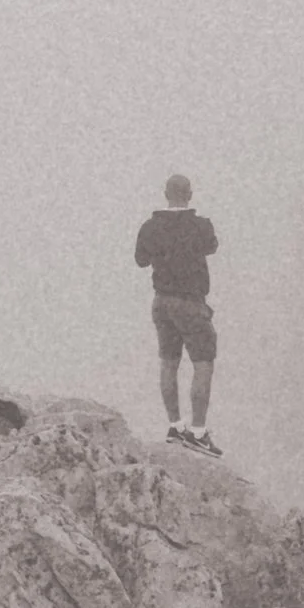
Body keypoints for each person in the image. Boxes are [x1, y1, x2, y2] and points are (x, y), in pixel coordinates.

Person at [135, 173, 220, 455]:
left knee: (169, 363)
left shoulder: (150, 227)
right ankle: (198, 432)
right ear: (190, 194)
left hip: (161, 302)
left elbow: (140, 260)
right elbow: (211, 246)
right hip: (191, 303)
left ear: (165, 193)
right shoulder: (200, 226)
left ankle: (175, 425)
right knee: (203, 363)